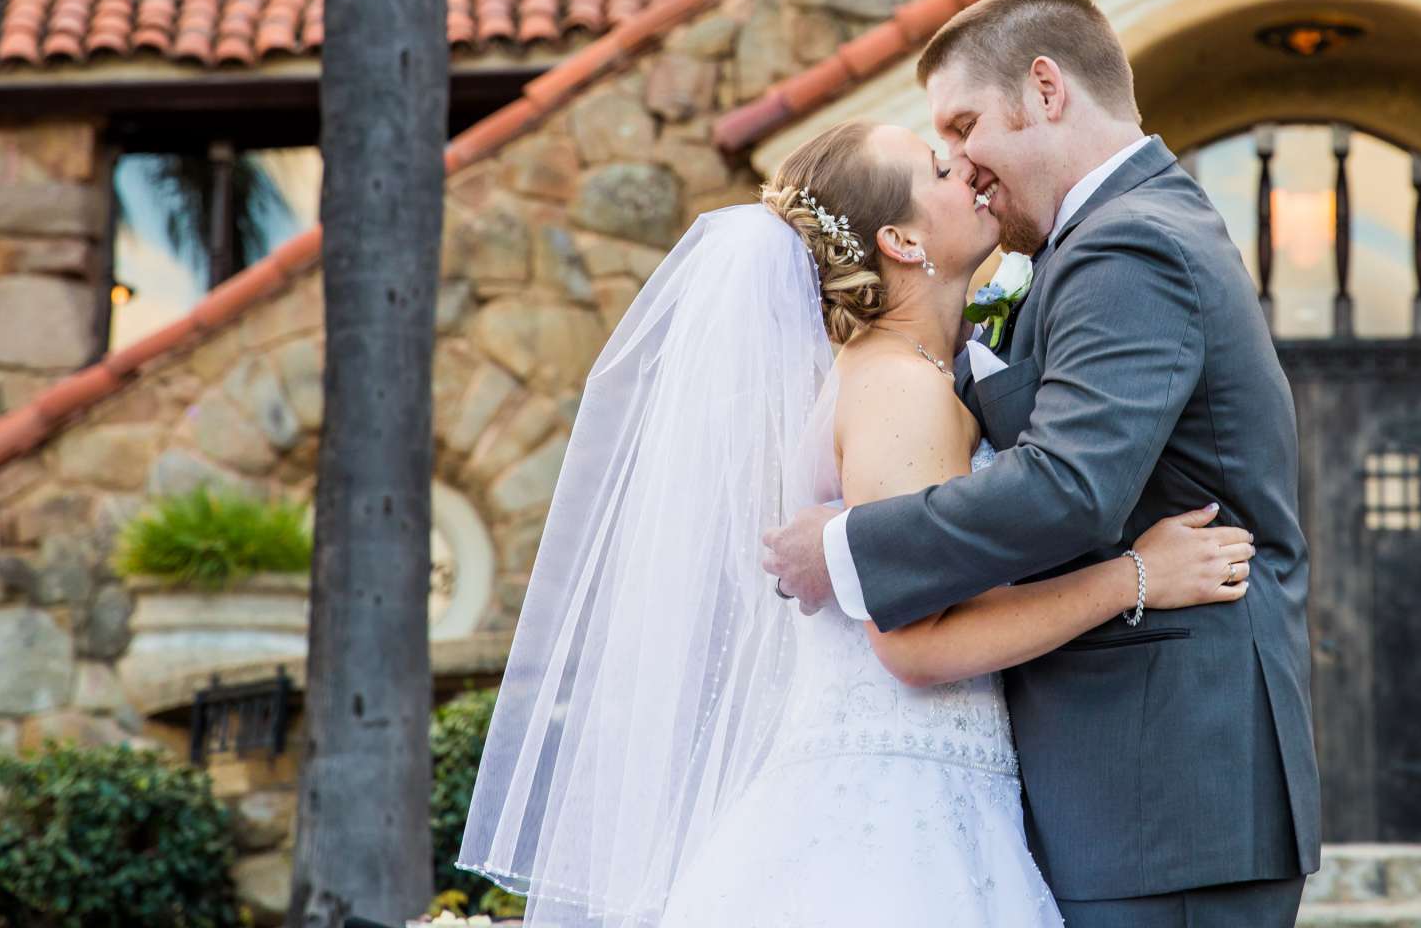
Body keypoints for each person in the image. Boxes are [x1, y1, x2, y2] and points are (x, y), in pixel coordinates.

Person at [459, 112, 1256, 928]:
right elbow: (914, 643)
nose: (969, 173)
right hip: (894, 820)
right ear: (903, 243)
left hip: (927, 793)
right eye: (940, 173)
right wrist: (1138, 577)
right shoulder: (898, 392)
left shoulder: (914, 377)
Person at [765, 0, 1321, 927]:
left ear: (1048, 89)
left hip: (1163, 789)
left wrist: (851, 547)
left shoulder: (1130, 245)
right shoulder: (1095, 244)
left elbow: (1070, 487)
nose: (962, 164)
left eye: (965, 125)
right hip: (1126, 787)